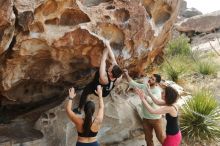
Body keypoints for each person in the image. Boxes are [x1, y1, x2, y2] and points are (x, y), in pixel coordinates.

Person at [74, 41, 123, 114]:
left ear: (110, 73)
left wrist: (105, 50)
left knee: (86, 91)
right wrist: (108, 46)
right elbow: (113, 58)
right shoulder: (119, 75)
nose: (110, 65)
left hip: (98, 89)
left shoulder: (103, 77)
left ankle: (79, 109)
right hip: (106, 92)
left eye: (111, 67)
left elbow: (103, 59)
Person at [124, 70, 165, 146]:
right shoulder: (145, 86)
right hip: (146, 118)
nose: (150, 79)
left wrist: (143, 95)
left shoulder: (157, 91)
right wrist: (126, 74)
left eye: (153, 79)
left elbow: (151, 101)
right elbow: (133, 83)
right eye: (150, 78)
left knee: (160, 138)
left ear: (156, 83)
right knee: (148, 139)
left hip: (156, 119)